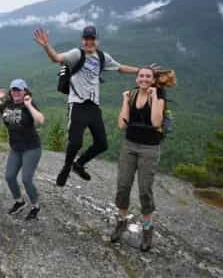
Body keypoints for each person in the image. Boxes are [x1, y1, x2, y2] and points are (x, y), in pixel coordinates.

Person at [34, 26, 143, 187]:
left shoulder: (102, 57)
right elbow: (56, 58)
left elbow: (120, 68)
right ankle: (66, 168)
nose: (89, 42)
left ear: (96, 40)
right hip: (77, 103)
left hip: (93, 105)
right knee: (75, 142)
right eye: (86, 39)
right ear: (82, 40)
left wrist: (141, 70)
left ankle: (78, 164)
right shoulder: (76, 54)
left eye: (92, 39)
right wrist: (46, 46)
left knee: (102, 144)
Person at [110, 67, 167, 252]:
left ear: (153, 79)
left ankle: (147, 229)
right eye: (141, 76)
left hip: (149, 148)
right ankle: (121, 222)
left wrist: (153, 96)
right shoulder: (132, 95)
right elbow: (121, 124)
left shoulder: (159, 94)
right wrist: (125, 100)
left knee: (144, 190)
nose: (144, 79)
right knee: (123, 186)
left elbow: (156, 122)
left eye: (148, 76)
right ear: (136, 79)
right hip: (129, 145)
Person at [0, 79, 45, 220]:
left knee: (26, 179)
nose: (16, 92)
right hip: (15, 148)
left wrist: (28, 105)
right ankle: (19, 202)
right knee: (9, 177)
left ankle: (35, 206)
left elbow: (40, 120)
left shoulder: (29, 104)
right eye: (13, 90)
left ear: (25, 91)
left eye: (19, 90)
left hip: (31, 148)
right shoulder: (7, 104)